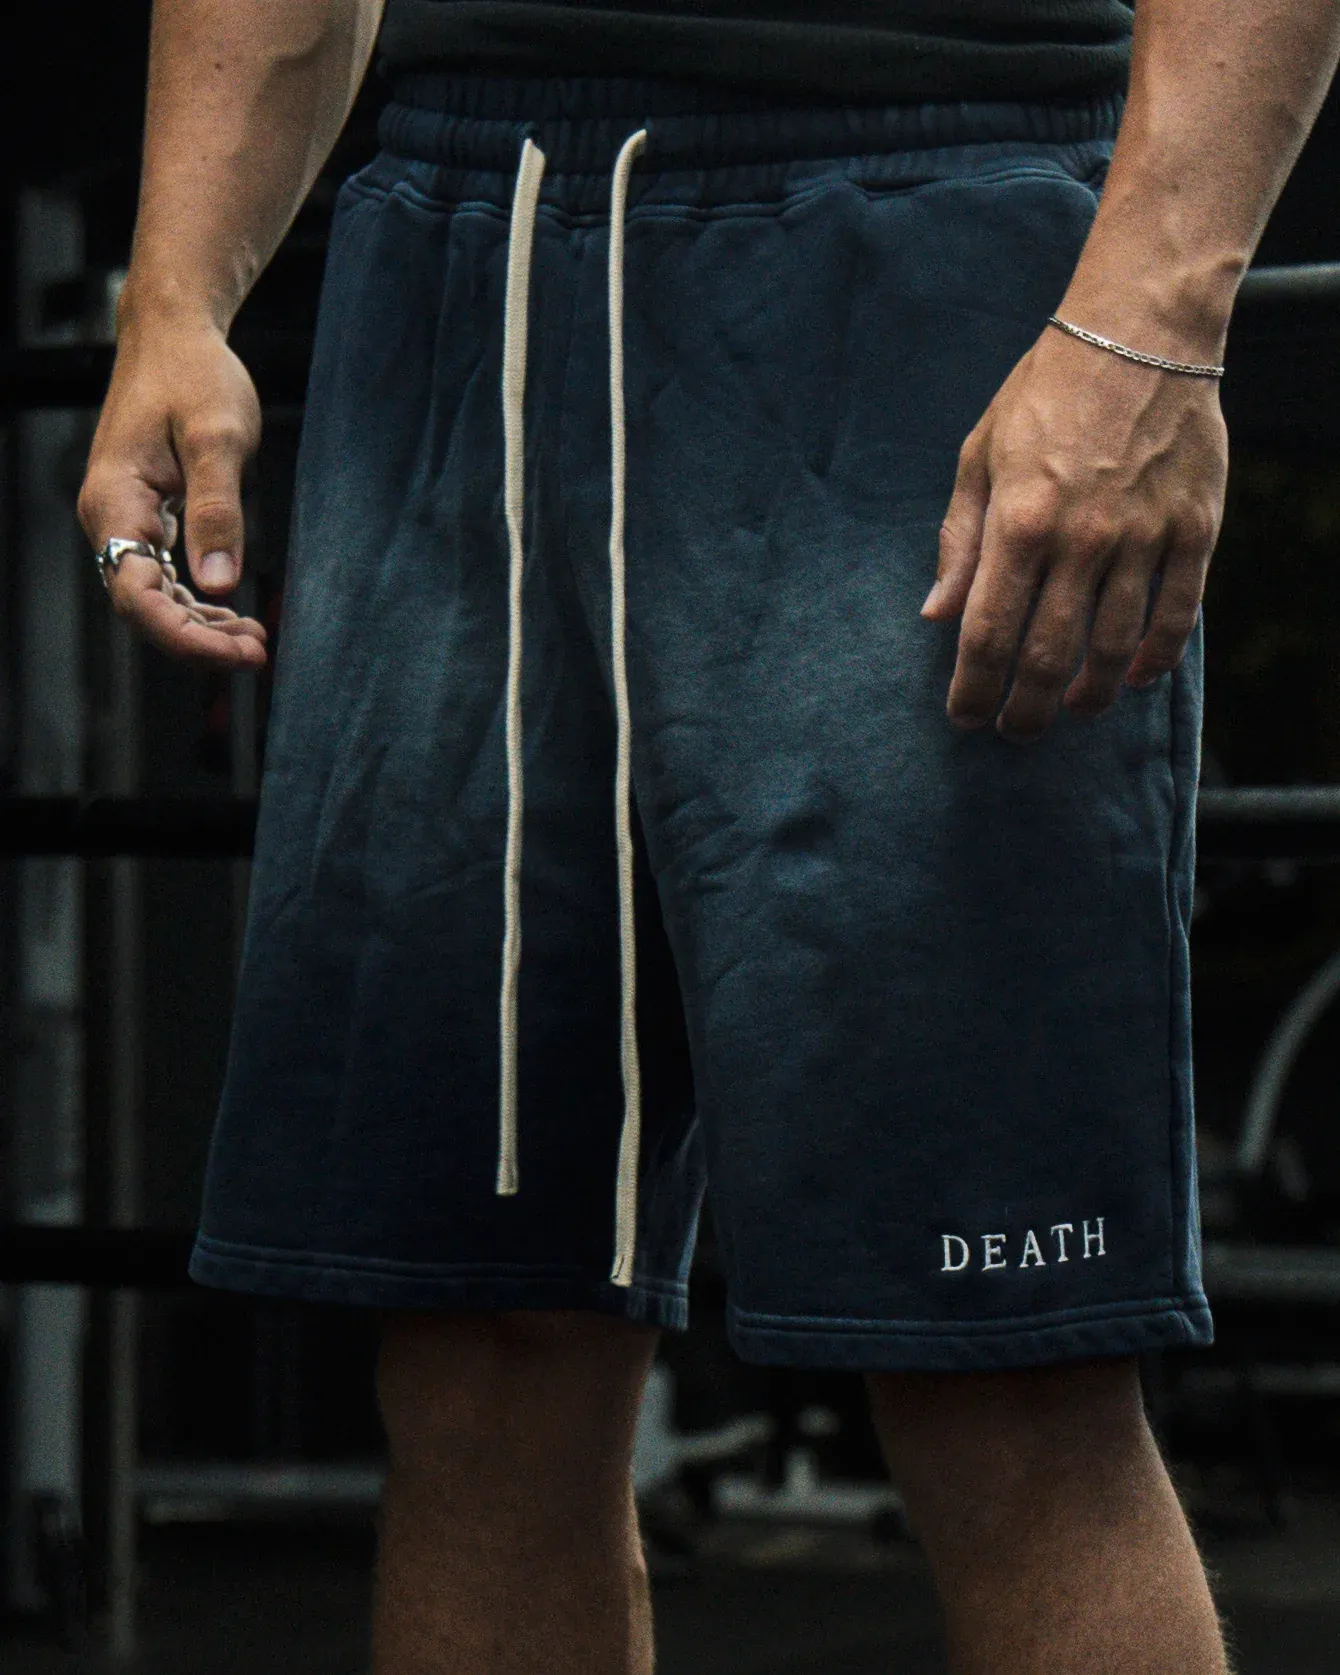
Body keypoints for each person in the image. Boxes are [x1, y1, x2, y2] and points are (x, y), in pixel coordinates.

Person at [77, 0, 1340, 1670]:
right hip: (463, 265)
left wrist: (1149, 324)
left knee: (1007, 1367)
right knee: (477, 1352)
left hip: (931, 237)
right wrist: (175, 297)